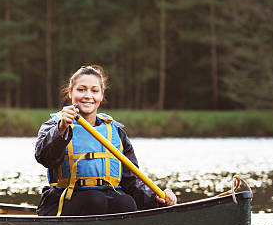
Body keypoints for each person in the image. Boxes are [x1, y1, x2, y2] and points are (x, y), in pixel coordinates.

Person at [35, 64, 177, 216]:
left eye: (94, 91)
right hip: (64, 201)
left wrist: (156, 198)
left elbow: (131, 180)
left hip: (107, 197)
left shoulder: (115, 131)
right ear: (70, 93)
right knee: (95, 199)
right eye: (81, 89)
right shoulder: (54, 125)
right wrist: (62, 128)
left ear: (101, 95)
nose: (88, 95)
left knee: (126, 202)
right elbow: (44, 157)